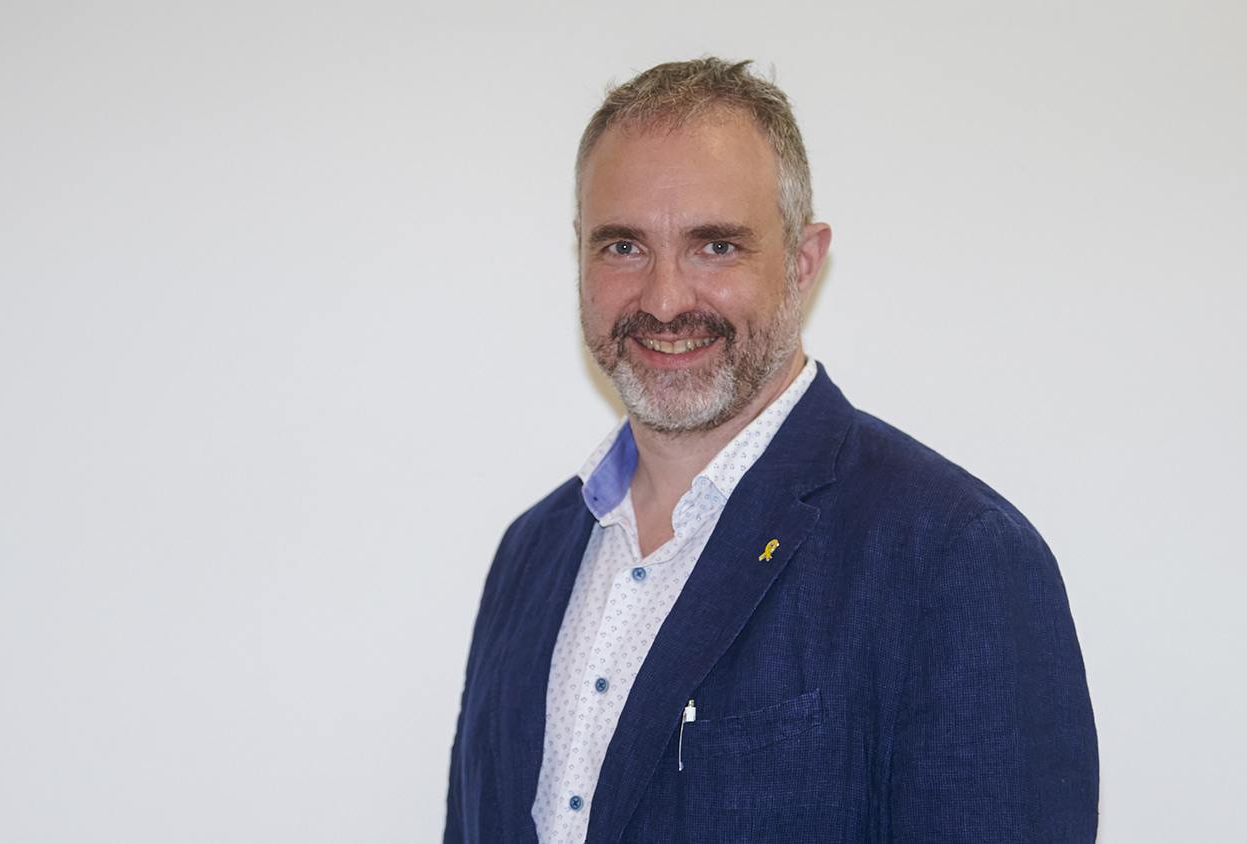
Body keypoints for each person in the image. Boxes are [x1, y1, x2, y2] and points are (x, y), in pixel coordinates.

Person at [443, 58, 1098, 844]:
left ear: (803, 262)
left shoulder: (957, 557)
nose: (664, 299)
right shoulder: (530, 552)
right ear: (580, 255)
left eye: (716, 245)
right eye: (623, 246)